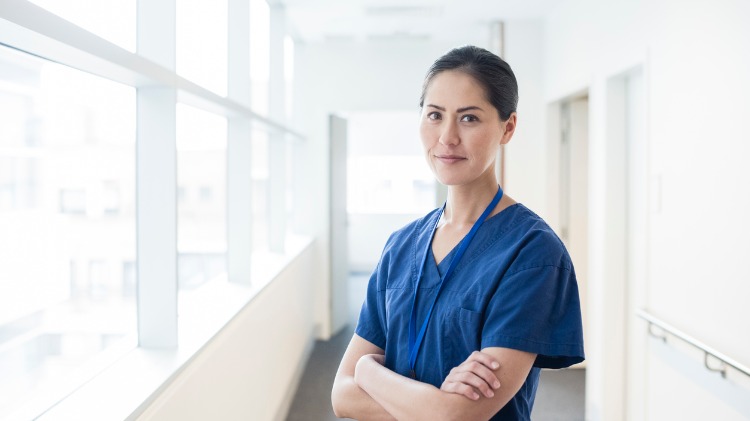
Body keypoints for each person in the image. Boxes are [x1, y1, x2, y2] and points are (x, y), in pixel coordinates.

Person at [331, 45, 585, 421]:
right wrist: (433, 405)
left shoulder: (533, 252)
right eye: (434, 115)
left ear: (507, 127)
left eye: (468, 119)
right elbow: (342, 396)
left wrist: (370, 372)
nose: (447, 137)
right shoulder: (402, 245)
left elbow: (457, 416)